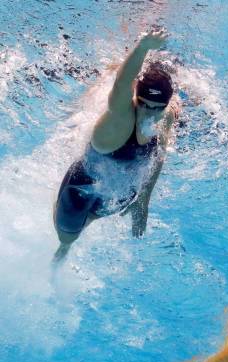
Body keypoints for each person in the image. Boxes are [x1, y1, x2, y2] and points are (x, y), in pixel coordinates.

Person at [53, 30, 179, 262]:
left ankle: (82, 229)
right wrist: (142, 47)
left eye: (156, 108)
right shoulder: (120, 119)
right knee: (67, 239)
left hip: (119, 195)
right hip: (80, 190)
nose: (148, 112)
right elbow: (121, 86)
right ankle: (63, 252)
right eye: (143, 103)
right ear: (135, 99)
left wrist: (143, 200)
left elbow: (159, 155)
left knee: (90, 221)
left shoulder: (167, 116)